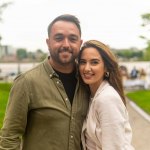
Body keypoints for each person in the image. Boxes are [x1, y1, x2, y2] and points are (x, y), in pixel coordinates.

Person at [0, 14, 89, 150]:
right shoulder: (27, 82)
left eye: (72, 39)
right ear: (48, 43)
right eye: (59, 38)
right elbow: (9, 138)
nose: (66, 44)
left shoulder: (87, 82)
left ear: (80, 43)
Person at [78, 40, 134, 150]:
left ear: (106, 67)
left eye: (94, 62)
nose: (86, 68)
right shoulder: (92, 95)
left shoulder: (107, 99)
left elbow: (114, 147)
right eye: (83, 62)